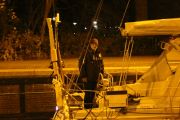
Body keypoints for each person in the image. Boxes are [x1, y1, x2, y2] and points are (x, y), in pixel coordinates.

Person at [79, 38, 104, 109]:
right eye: (93, 44)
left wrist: (102, 74)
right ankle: (86, 107)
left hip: (96, 77)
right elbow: (81, 65)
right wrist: (83, 76)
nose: (94, 46)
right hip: (88, 78)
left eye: (96, 44)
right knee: (88, 93)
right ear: (90, 45)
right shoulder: (85, 53)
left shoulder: (98, 54)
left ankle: (91, 105)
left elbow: (101, 64)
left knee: (93, 92)